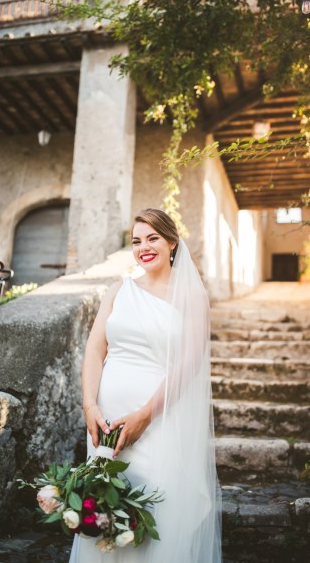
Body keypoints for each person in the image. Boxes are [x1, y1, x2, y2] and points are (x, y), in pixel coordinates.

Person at [69, 208, 222, 563]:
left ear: (172, 243)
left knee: (154, 505)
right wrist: (90, 405)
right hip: (106, 419)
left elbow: (190, 362)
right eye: (137, 241)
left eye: (153, 238)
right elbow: (95, 348)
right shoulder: (119, 290)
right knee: (103, 503)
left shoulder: (192, 297)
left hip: (160, 418)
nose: (144, 247)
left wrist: (146, 415)